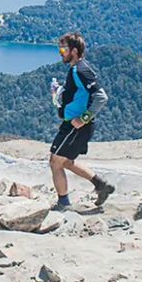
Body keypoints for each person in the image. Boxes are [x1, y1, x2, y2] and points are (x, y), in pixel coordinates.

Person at [49, 32, 115, 210]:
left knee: (55, 162)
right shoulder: (77, 68)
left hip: (75, 126)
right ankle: (102, 186)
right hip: (75, 124)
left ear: (75, 50)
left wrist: (84, 117)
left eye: (63, 48)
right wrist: (59, 92)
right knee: (67, 161)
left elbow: (101, 97)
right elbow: (79, 93)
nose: (60, 52)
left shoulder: (80, 70)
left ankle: (63, 204)